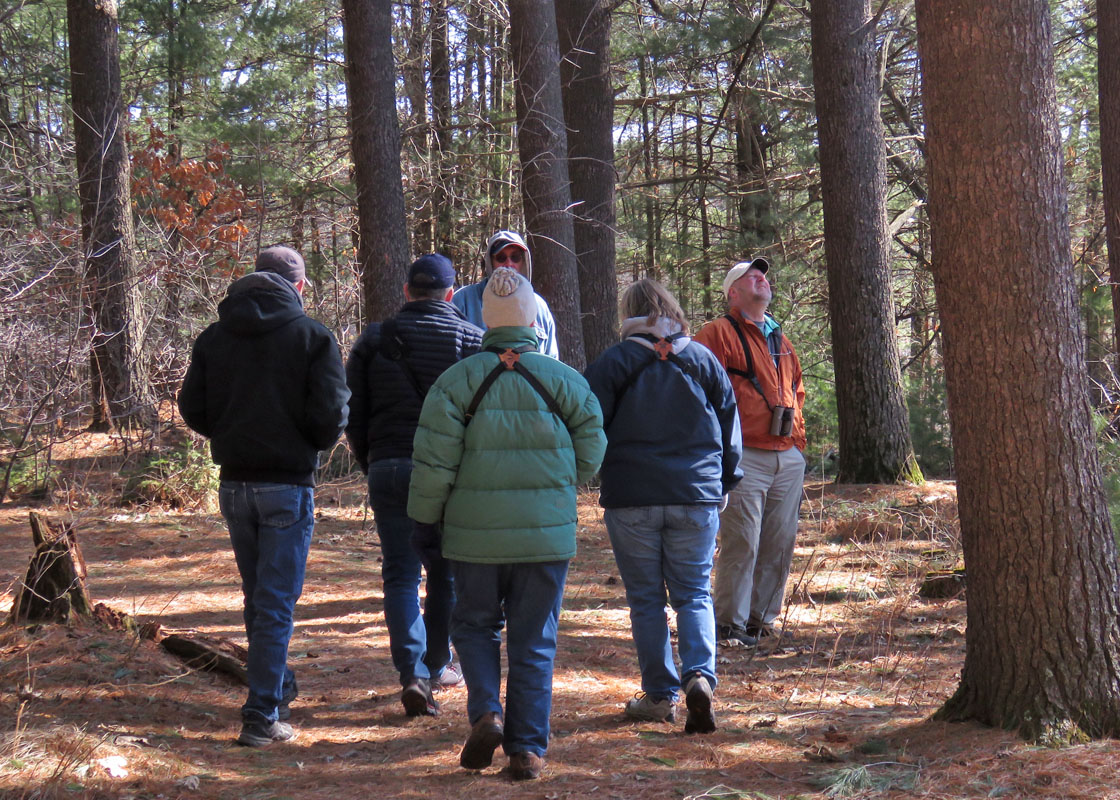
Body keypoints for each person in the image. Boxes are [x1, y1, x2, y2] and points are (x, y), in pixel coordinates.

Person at [408, 267, 605, 780]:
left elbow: (434, 465)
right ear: (532, 316)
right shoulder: (566, 381)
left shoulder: (455, 381)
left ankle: (486, 714)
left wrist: (424, 522)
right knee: (534, 638)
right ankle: (526, 750)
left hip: (473, 536)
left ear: (486, 317)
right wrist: (559, 486)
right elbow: (593, 452)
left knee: (473, 626)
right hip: (547, 533)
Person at [178, 245, 350, 746]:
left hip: (234, 484)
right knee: (274, 604)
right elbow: (332, 415)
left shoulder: (215, 337)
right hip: (287, 486)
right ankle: (261, 715)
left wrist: (228, 435)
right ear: (297, 287)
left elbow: (192, 406)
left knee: (260, 599)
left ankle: (276, 687)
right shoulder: (312, 337)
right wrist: (310, 443)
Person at [584, 278, 742, 733]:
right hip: (696, 493)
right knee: (694, 592)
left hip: (631, 496)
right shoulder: (701, 358)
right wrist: (726, 479)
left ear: (628, 313)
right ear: (671, 309)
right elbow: (729, 420)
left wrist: (595, 474)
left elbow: (590, 425)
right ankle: (699, 677)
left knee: (646, 600)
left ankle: (659, 695)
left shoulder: (614, 362)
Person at [344, 254, 483, 717]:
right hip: (445, 473)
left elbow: (354, 415)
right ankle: (437, 662)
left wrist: (372, 460)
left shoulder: (374, 340)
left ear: (406, 291)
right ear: (450, 294)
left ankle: (412, 674)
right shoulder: (471, 340)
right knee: (444, 572)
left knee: (400, 573)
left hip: (388, 465)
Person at [693, 257, 806, 648]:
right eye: (749, 276)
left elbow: (797, 392)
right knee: (743, 541)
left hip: (786, 456)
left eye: (763, 275)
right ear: (733, 293)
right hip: (744, 455)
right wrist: (720, 445)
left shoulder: (781, 340)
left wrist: (798, 443)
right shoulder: (716, 334)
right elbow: (697, 388)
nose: (761, 278)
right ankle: (729, 626)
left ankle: (762, 622)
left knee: (780, 541)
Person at [451, 230, 559, 358]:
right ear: (490, 263)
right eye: (501, 258)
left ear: (524, 262)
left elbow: (551, 358)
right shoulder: (462, 300)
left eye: (515, 257)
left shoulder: (539, 306)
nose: (509, 263)